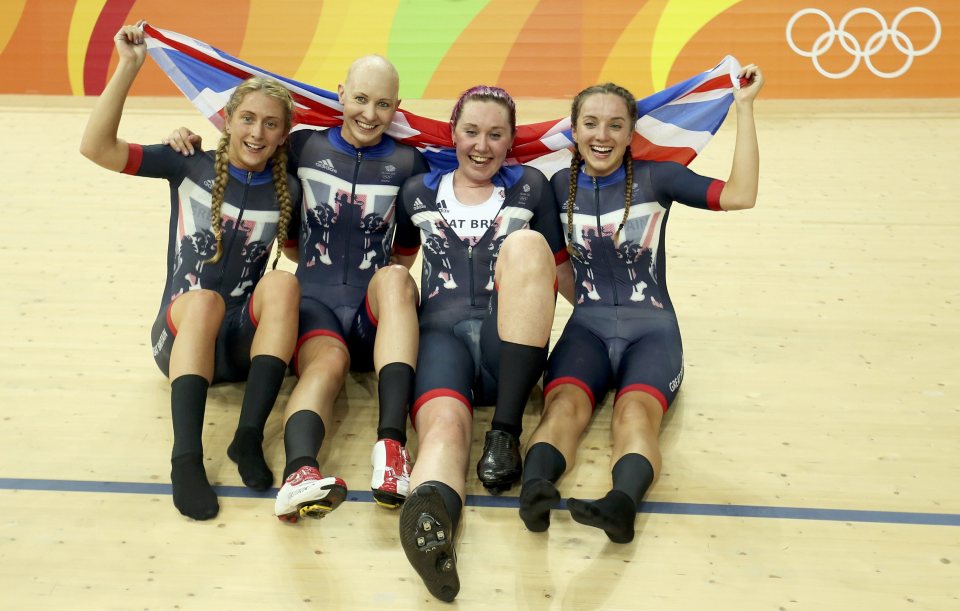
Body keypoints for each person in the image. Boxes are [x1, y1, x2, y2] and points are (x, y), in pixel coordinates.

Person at [165, 55, 430, 520]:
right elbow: (254, 173)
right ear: (341, 94)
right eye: (361, 99)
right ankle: (301, 472)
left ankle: (391, 447)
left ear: (397, 108)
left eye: (383, 104)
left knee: (395, 278)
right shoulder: (302, 147)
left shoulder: (411, 162)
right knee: (325, 367)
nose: (369, 113)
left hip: (373, 320)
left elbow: (406, 251)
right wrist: (182, 139)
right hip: (315, 310)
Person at [517, 66, 764, 543]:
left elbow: (741, 195)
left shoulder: (659, 178)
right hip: (586, 330)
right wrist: (591, 310)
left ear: (632, 134)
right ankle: (536, 492)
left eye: (615, 125)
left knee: (634, 414)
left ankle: (622, 505)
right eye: (590, 123)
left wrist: (746, 108)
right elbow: (561, 268)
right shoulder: (553, 189)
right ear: (574, 130)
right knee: (561, 408)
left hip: (652, 332)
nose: (602, 135)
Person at [80, 24, 302, 521]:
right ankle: (186, 461)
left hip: (241, 350)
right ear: (227, 119)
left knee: (284, 283)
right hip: (179, 340)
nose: (256, 133)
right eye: (247, 119)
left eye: (270, 124)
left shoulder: (291, 188)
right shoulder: (187, 164)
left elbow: (300, 255)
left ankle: (247, 439)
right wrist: (129, 66)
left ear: (284, 134)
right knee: (204, 299)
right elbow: (96, 147)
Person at [391, 85, 572, 602]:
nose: (482, 145)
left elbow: (558, 273)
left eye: (496, 135)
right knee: (444, 430)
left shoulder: (532, 187)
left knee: (528, 243)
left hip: (508, 347)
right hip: (441, 341)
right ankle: (433, 519)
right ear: (452, 134)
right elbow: (396, 268)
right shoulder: (417, 191)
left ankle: (505, 433)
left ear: (512, 140)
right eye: (471, 131)